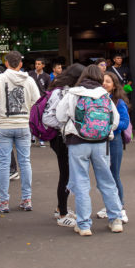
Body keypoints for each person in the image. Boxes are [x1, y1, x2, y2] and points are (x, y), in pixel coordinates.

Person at [56, 65, 123, 236]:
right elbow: (114, 121)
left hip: (78, 143)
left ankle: (84, 225)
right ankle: (115, 219)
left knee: (81, 183)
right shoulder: (104, 95)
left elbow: (60, 116)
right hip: (101, 143)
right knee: (107, 181)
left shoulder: (73, 93)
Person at [0, 50, 41, 213]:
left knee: (4, 164)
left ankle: (4, 201)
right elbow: (37, 102)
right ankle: (27, 199)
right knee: (25, 162)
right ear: (21, 64)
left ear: (7, 63)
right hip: (24, 125)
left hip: (4, 125)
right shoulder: (29, 80)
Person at [42, 63, 85, 228]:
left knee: (69, 174)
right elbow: (48, 117)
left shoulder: (64, 90)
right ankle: (62, 214)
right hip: (62, 139)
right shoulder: (60, 92)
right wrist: (66, 127)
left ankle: (62, 207)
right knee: (66, 175)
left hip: (66, 138)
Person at [98, 71, 130, 224]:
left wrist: (111, 127)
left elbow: (124, 122)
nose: (105, 84)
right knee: (104, 176)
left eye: (108, 81)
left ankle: (120, 207)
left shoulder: (118, 102)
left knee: (114, 174)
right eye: (102, 81)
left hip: (114, 140)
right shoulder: (96, 99)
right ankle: (109, 206)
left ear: (114, 85)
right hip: (99, 142)